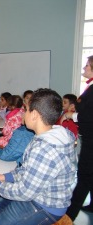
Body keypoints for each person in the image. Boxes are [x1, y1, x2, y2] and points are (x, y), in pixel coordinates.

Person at [0, 88, 77, 225]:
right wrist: (5, 177)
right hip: (35, 192)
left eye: (26, 110)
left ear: (34, 115)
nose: (23, 114)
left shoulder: (44, 149)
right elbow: (27, 169)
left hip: (45, 205)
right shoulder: (48, 134)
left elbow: (25, 192)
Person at [65, 55, 93, 220]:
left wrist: (73, 115)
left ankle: (68, 216)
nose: (84, 69)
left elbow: (89, 115)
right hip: (89, 137)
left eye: (87, 66)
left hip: (91, 140)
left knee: (84, 175)